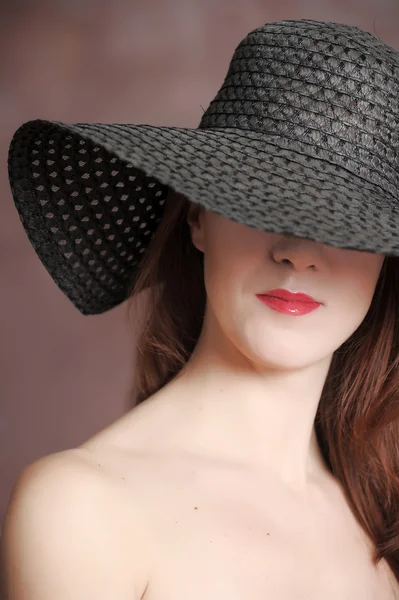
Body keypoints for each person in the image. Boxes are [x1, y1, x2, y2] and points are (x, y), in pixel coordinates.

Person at [1, 17, 399, 600]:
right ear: (197, 218)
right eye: (256, 199)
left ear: (386, 261)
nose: (296, 254)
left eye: (343, 226)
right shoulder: (84, 508)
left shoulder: (378, 520)